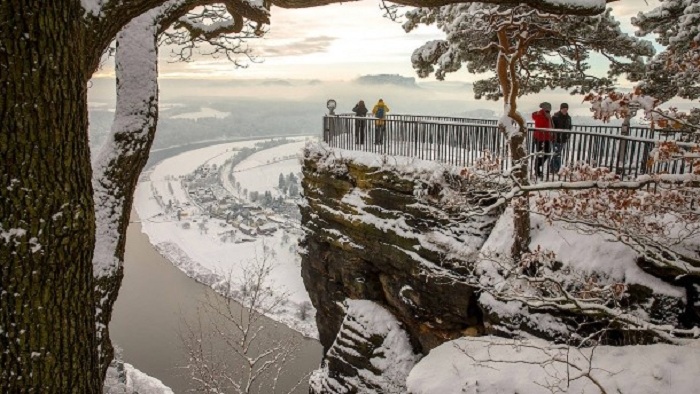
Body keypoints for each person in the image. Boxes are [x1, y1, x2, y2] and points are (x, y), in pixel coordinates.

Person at [532, 102, 554, 178]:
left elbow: (550, 127)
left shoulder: (547, 116)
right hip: (539, 138)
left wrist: (552, 135)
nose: (548, 112)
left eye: (549, 110)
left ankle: (537, 167)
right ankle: (537, 169)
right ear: (543, 109)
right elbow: (542, 126)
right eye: (547, 110)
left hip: (546, 138)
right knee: (540, 154)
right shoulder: (540, 115)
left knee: (546, 153)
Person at [550, 102, 572, 173]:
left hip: (563, 139)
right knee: (557, 154)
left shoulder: (568, 118)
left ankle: (554, 168)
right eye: (563, 108)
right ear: (561, 109)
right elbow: (552, 126)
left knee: (558, 153)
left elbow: (569, 127)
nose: (565, 110)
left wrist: (568, 136)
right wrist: (553, 135)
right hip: (556, 139)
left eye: (566, 109)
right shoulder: (555, 117)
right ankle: (555, 168)